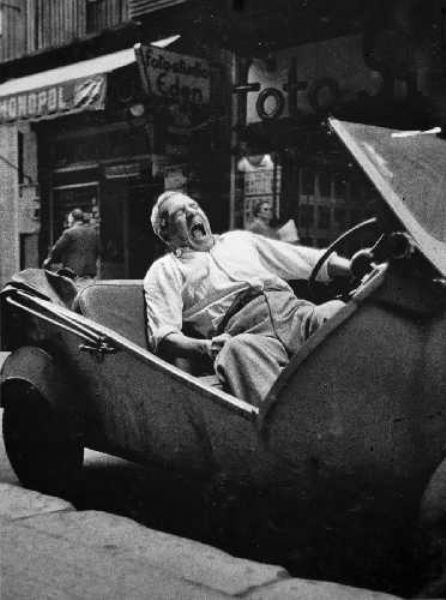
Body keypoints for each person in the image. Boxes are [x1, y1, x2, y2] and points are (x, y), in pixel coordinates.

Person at [144, 191, 351, 406]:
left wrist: (353, 266)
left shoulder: (238, 240)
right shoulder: (165, 269)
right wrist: (207, 347)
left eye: (194, 206)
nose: (191, 212)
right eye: (180, 212)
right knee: (235, 350)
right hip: (248, 336)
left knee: (336, 311)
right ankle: (287, 423)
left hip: (294, 314)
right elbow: (165, 336)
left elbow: (306, 259)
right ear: (165, 232)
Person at [43, 208, 101, 287]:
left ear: (72, 219)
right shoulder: (93, 233)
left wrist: (48, 261)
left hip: (73, 274)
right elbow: (100, 250)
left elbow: (57, 249)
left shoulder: (69, 233)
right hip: (90, 273)